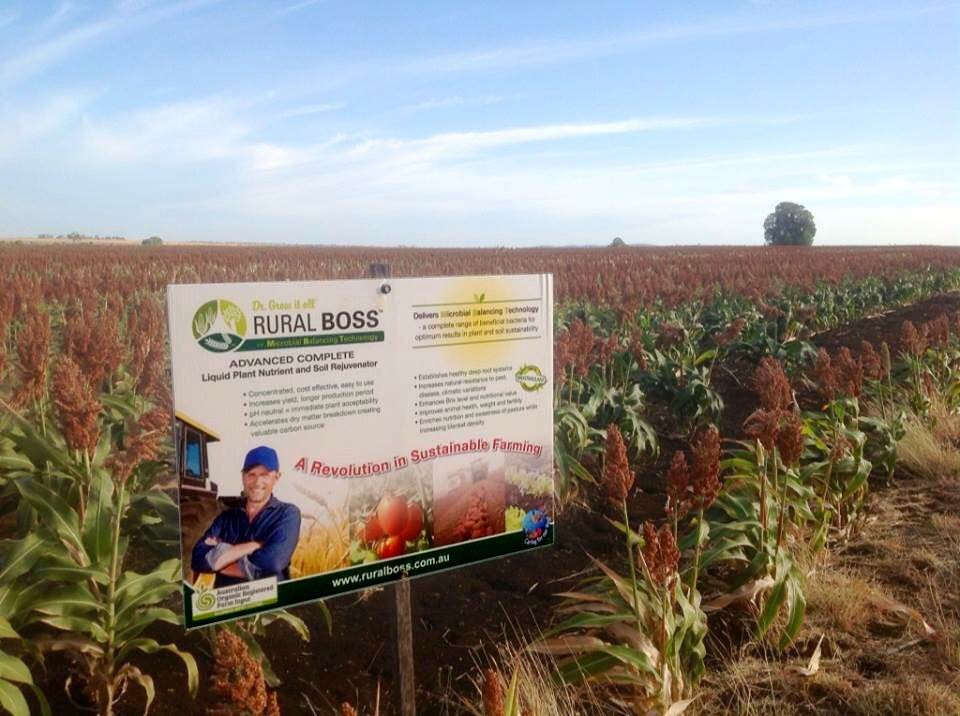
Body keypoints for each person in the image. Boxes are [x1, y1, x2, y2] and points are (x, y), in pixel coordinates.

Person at [191, 445, 301, 588]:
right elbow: (197, 558)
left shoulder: (287, 514)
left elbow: (272, 563)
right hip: (229, 602)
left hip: (269, 602)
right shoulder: (226, 518)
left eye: (264, 475)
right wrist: (254, 546)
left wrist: (219, 561)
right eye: (251, 475)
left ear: (277, 477)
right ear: (243, 476)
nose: (257, 482)